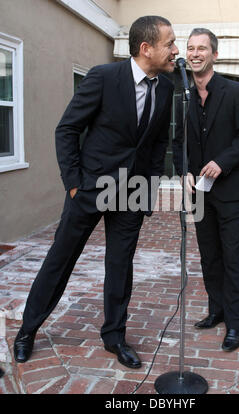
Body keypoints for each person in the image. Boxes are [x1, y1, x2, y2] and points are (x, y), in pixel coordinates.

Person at [14, 15, 179, 369]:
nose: (176, 50)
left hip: (131, 195)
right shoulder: (103, 78)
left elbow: (157, 143)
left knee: (120, 268)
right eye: (170, 43)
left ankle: (115, 337)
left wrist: (148, 190)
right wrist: (74, 184)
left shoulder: (166, 88)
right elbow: (67, 129)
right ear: (145, 47)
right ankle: (28, 330)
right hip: (89, 190)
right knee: (60, 261)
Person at [173, 28, 239, 351]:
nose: (194, 54)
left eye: (202, 49)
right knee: (209, 256)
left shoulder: (236, 92)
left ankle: (235, 324)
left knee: (233, 257)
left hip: (232, 190)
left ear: (214, 55)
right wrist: (183, 173)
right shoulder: (183, 96)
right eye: (191, 48)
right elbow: (178, 141)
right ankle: (216, 310)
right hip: (199, 193)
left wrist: (222, 162)